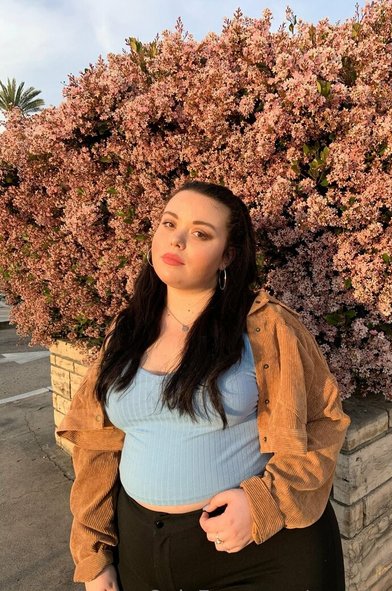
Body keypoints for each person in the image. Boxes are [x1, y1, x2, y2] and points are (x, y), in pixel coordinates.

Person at [56, 180, 351, 591]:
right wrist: (93, 556)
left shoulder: (268, 327)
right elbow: (96, 447)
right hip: (142, 549)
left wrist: (264, 504)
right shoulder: (126, 331)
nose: (176, 240)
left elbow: (324, 421)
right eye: (169, 224)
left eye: (200, 233)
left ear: (227, 255)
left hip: (261, 552)